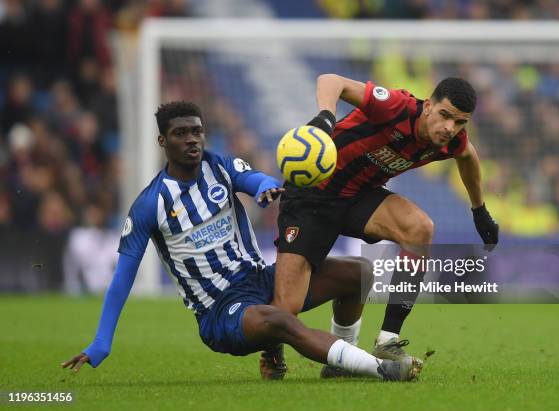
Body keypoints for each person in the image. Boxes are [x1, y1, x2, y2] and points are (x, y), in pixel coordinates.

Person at [61, 101, 423, 382]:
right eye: (181, 133)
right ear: (162, 140)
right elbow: (123, 277)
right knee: (282, 321)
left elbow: (255, 179)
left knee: (358, 272)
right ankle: (378, 369)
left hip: (259, 279)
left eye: (197, 132)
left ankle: (341, 364)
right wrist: (101, 342)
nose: (192, 140)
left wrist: (265, 188)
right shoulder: (148, 205)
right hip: (221, 312)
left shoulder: (218, 165)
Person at [272, 75, 499, 376]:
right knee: (287, 308)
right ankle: (271, 353)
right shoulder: (396, 108)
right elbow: (330, 81)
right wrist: (326, 117)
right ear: (428, 106)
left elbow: (468, 156)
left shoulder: (452, 138)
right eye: (445, 116)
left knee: (419, 228)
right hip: (312, 197)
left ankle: (387, 340)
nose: (450, 128)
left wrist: (479, 210)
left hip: (359, 197)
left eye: (460, 122)